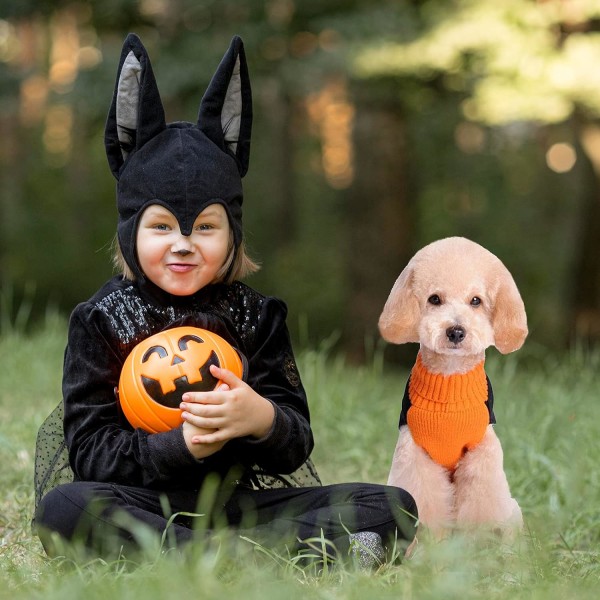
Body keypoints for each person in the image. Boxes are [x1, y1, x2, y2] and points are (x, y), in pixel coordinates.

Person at [33, 33, 417, 566]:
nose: (184, 243)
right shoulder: (103, 321)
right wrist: (181, 445)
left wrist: (260, 418)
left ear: (232, 232)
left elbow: (295, 441)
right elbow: (92, 453)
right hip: (141, 501)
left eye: (205, 226)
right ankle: (256, 555)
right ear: (130, 231)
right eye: (162, 226)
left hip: (240, 505)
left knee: (391, 506)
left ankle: (216, 552)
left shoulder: (254, 317)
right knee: (64, 508)